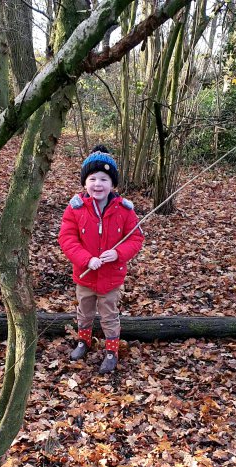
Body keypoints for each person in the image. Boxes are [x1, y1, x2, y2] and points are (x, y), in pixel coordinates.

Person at [58, 144, 144, 374]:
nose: (98, 184)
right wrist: (86, 259)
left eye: (104, 179)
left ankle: (111, 351)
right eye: (93, 178)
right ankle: (83, 341)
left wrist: (118, 253)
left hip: (111, 278)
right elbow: (67, 239)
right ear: (85, 182)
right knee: (84, 312)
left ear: (112, 184)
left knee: (109, 315)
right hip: (84, 276)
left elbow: (135, 238)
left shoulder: (125, 210)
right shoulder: (75, 209)